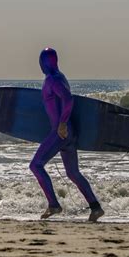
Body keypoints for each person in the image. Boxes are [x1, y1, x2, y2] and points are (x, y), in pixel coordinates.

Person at [29, 47, 104, 222]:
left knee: (36, 165)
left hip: (60, 132)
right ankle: (95, 208)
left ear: (44, 62)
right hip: (69, 134)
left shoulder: (52, 79)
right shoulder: (60, 77)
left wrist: (62, 124)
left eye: (41, 61)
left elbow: (68, 99)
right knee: (73, 173)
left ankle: (54, 204)